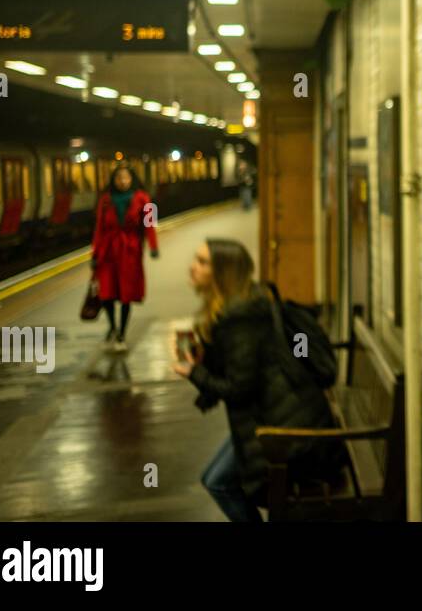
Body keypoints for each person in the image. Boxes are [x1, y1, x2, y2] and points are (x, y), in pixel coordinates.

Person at [172, 239, 345, 522]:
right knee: (214, 478)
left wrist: (195, 373)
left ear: (223, 272)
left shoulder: (239, 317)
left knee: (218, 482)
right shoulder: (242, 305)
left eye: (203, 262)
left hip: (288, 432)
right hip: (278, 418)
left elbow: (239, 389)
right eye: (196, 259)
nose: (193, 267)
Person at [90, 164, 158, 351]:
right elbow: (99, 229)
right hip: (108, 252)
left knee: (126, 294)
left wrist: (153, 246)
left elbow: (150, 225)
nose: (122, 181)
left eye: (126, 178)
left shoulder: (145, 199)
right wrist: (94, 253)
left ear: (132, 179)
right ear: (113, 180)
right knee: (106, 294)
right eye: (119, 178)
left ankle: (121, 334)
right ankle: (112, 326)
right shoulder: (104, 200)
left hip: (130, 251)